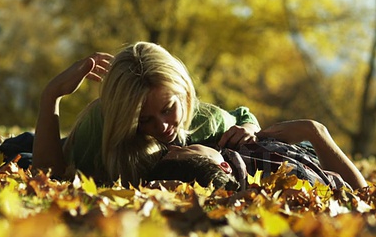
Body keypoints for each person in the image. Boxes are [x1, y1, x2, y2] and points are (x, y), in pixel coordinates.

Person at [31, 42, 260, 185]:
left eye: (168, 109)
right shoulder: (100, 126)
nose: (161, 126)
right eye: (144, 120)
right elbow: (48, 175)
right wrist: (51, 96)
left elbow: (244, 117)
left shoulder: (206, 121)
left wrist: (249, 129)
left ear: (184, 94)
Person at [147, 119, 368, 191]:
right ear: (222, 167)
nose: (174, 147)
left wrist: (251, 127)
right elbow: (354, 190)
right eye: (186, 150)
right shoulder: (282, 177)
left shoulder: (222, 150)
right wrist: (315, 132)